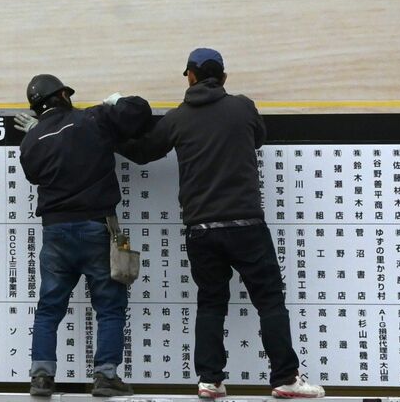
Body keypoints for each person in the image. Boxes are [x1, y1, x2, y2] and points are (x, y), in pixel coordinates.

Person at [123, 48, 325, 399]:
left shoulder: (177, 118)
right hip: (247, 224)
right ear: (224, 77)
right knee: (269, 301)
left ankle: (210, 380)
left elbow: (143, 152)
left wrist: (110, 133)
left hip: (201, 229)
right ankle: (286, 379)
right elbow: (256, 138)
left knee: (211, 303)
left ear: (190, 76)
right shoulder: (243, 107)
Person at [16, 73, 152, 399]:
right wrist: (115, 102)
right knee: (109, 306)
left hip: (55, 233)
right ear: (63, 94)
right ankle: (105, 377)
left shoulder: (31, 142)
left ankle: (41, 378)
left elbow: (34, 173)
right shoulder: (92, 118)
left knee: (49, 308)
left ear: (35, 109)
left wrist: (39, 135)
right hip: (96, 227)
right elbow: (140, 112)